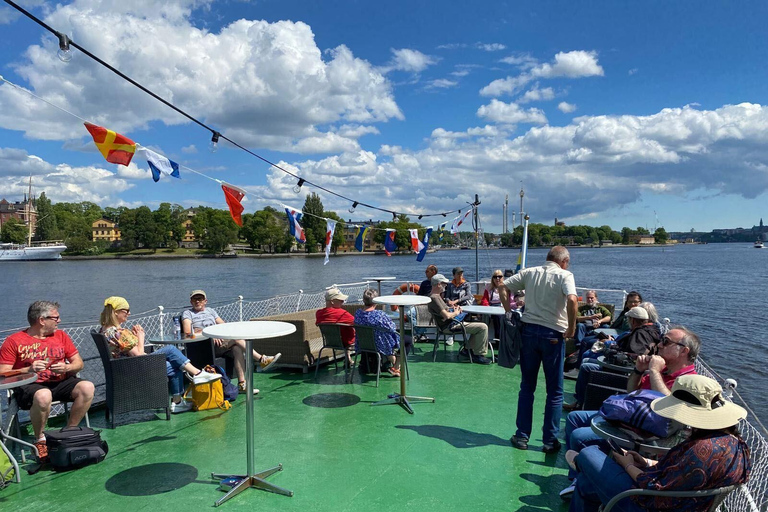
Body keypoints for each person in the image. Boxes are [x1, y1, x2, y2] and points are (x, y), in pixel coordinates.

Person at [569, 375, 751, 512]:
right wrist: (647, 462)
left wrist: (629, 465)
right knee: (586, 484)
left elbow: (651, 487)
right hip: (689, 505)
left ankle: (579, 464)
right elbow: (682, 473)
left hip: (647, 505)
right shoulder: (738, 445)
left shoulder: (699, 449)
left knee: (589, 453)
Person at [559, 326, 700, 498]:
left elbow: (669, 408)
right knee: (574, 418)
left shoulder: (689, 381)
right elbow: (631, 390)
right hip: (630, 416)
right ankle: (578, 478)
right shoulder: (664, 368)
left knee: (579, 436)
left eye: (666, 342)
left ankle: (586, 479)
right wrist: (639, 370)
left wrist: (654, 371)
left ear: (684, 351)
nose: (659, 345)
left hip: (645, 432)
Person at [500, 245, 578, 453]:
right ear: (564, 261)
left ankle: (522, 436)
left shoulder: (530, 272)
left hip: (529, 332)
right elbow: (571, 299)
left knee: (527, 386)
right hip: (553, 336)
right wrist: (571, 327)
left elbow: (502, 287)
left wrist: (509, 312)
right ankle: (549, 440)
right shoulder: (565, 275)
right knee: (554, 391)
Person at [0, 301, 95, 463]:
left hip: (60, 382)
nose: (59, 321)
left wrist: (67, 368)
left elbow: (79, 364)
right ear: (42, 320)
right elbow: (2, 372)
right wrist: (28, 369)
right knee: (44, 395)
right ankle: (40, 440)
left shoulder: (61, 336)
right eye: (56, 317)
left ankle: (68, 433)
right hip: (29, 385)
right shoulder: (14, 341)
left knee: (87, 387)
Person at [99, 296, 220, 415]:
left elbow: (128, 351)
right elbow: (139, 354)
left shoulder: (104, 330)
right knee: (171, 350)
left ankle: (178, 401)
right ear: (115, 313)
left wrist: (134, 338)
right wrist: (140, 337)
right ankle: (197, 375)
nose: (129, 313)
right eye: (126, 311)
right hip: (135, 370)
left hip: (122, 369)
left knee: (174, 364)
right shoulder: (119, 333)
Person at [181, 289, 281, 394]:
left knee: (237, 348)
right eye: (194, 299)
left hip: (219, 343)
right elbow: (188, 333)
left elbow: (224, 326)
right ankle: (261, 359)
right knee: (237, 340)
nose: (197, 301)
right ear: (191, 301)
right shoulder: (188, 314)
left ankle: (242, 384)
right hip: (204, 346)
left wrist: (217, 332)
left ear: (205, 301)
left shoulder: (211, 311)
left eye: (200, 299)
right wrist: (209, 334)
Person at [564, 305, 662, 411]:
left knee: (586, 365)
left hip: (621, 373)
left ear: (633, 321)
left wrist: (610, 346)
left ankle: (579, 403)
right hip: (630, 372)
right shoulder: (653, 331)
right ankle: (583, 401)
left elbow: (632, 355)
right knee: (587, 359)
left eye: (629, 319)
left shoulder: (640, 334)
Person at [428, 273, 491, 365]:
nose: (446, 286)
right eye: (444, 284)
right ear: (438, 284)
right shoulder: (434, 298)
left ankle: (467, 350)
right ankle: (479, 355)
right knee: (483, 327)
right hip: (450, 326)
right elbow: (447, 316)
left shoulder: (436, 296)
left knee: (476, 324)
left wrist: (452, 309)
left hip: (450, 323)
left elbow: (444, 311)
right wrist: (456, 312)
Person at [354, 289, 401, 376]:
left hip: (363, 345)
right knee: (407, 341)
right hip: (380, 345)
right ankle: (396, 366)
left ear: (364, 300)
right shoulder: (380, 315)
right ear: (376, 300)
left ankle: (392, 361)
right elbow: (392, 328)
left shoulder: (358, 313)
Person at [315, 287, 356, 366]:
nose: (343, 302)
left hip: (330, 342)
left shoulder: (319, 313)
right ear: (332, 301)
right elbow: (357, 322)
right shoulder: (342, 313)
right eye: (341, 300)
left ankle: (348, 358)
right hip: (347, 342)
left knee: (345, 331)